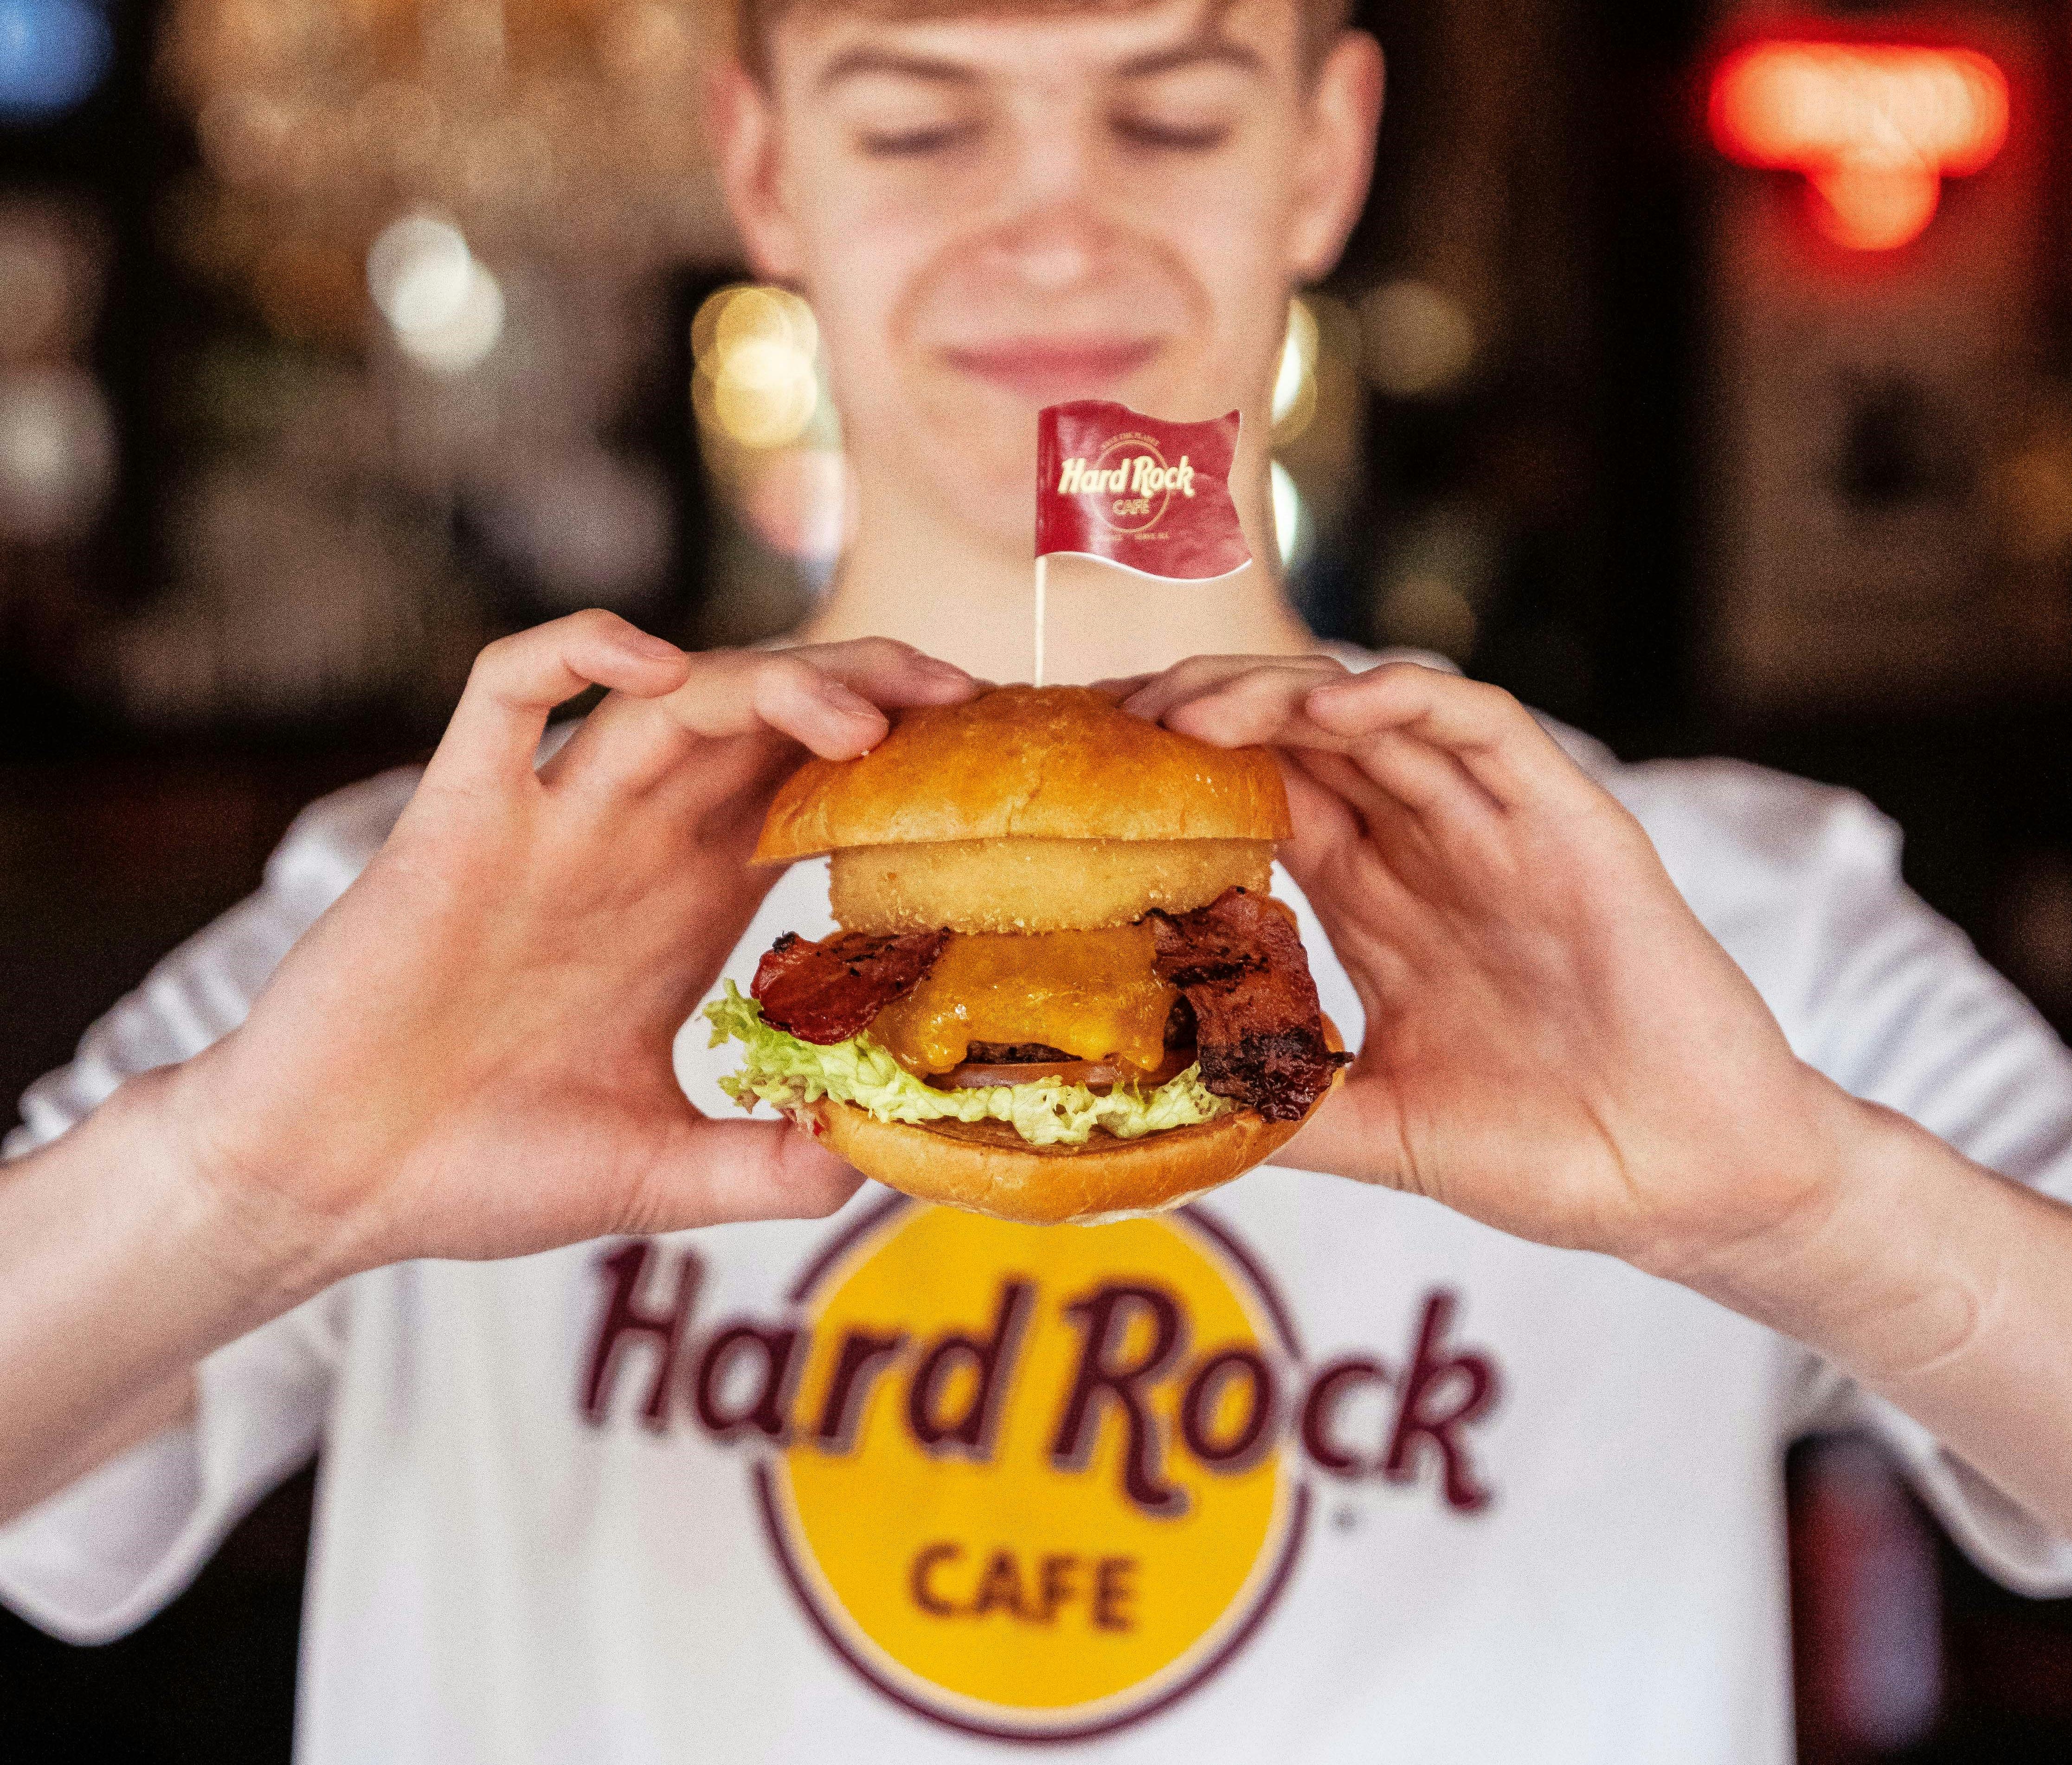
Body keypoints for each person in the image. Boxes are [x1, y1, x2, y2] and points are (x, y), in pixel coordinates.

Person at [3, 0, 2071, 1756]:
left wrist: (1809, 1206)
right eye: (922, 118)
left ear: (1326, 149)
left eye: (1168, 111)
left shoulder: (1731, 908)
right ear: (767, 163)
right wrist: (242, 1199)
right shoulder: (432, 917)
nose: (1055, 221)